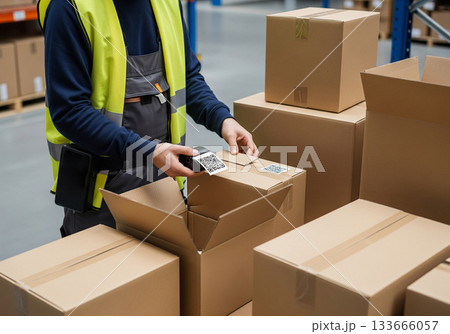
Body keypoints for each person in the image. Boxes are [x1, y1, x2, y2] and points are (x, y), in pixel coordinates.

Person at [37, 0, 258, 237]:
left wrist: (222, 119)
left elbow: (187, 77)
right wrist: (146, 151)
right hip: (101, 199)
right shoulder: (68, 7)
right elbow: (70, 111)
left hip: (166, 185)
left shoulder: (167, 3)